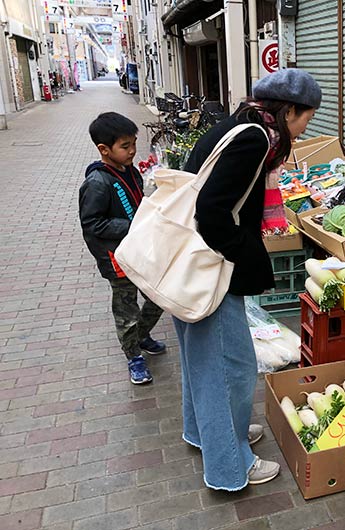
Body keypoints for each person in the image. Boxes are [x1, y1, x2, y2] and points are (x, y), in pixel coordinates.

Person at [175, 68, 321, 491]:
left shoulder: (237, 124)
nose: (307, 125)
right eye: (307, 116)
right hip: (210, 268)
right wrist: (237, 255)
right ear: (289, 109)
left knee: (201, 363)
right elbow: (213, 209)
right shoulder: (256, 138)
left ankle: (205, 434)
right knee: (231, 368)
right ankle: (232, 462)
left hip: (188, 265)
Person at [79, 112, 166, 385]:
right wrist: (132, 225)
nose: (132, 151)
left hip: (139, 250)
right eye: (125, 146)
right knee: (126, 310)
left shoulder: (130, 171)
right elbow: (92, 224)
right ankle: (134, 357)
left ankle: (141, 336)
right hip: (116, 259)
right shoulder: (97, 183)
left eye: (133, 144)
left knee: (158, 297)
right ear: (104, 149)